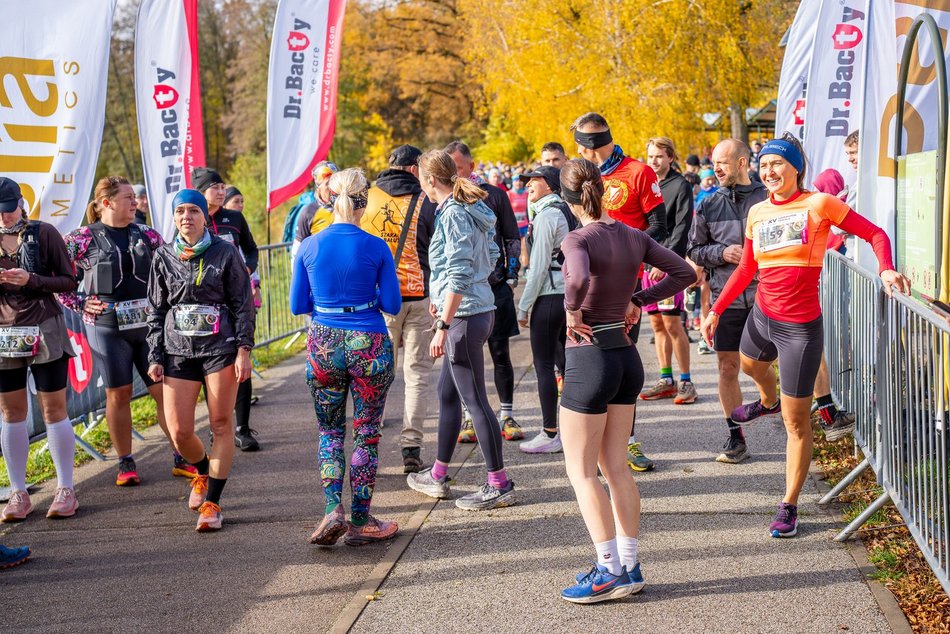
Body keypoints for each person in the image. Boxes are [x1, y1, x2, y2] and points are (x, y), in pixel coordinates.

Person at [701, 134, 910, 538]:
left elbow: (876, 234)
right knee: (748, 366)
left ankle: (789, 504)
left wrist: (885, 267)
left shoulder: (819, 204)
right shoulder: (758, 211)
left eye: (777, 164)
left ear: (796, 167)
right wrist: (716, 310)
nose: (769, 172)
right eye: (763, 166)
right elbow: (747, 269)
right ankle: (766, 398)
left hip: (800, 330)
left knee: (796, 424)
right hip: (762, 315)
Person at [557, 158, 695, 603]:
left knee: (581, 472)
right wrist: (639, 297)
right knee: (614, 467)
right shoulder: (633, 235)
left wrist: (571, 309)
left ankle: (606, 569)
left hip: (590, 358)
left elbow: (576, 275)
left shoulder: (577, 236)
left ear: (568, 198)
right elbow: (686, 273)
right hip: (625, 357)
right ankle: (629, 566)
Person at [290, 167, 402, 546]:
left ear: (327, 198)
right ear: (364, 201)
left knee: (329, 431)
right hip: (368, 340)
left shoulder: (309, 246)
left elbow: (296, 304)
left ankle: (332, 509)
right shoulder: (375, 246)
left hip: (323, 341)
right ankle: (362, 519)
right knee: (366, 434)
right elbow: (392, 302)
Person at [60, 176, 194, 486]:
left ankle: (181, 454)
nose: (135, 203)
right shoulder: (81, 238)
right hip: (108, 328)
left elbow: (172, 271)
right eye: (128, 198)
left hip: (148, 327)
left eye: (135, 198)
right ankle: (125, 461)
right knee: (118, 393)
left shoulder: (147, 235)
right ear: (106, 203)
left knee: (163, 390)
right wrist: (79, 303)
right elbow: (55, 276)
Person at [406, 149, 517, 511]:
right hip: (474, 310)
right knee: (448, 394)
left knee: (476, 401)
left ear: (429, 181)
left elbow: (459, 271)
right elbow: (489, 257)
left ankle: (498, 482)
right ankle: (438, 473)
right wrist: (444, 300)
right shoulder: (468, 207)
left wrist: (443, 323)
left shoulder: (454, 212)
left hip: (464, 318)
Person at [146, 189, 255, 532]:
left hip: (219, 348)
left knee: (221, 424)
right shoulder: (163, 256)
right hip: (178, 350)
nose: (186, 217)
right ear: (174, 217)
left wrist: (244, 349)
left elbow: (242, 303)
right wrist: (154, 354)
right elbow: (156, 309)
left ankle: (213, 503)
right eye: (180, 211)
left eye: (193, 210)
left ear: (204, 217)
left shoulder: (224, 252)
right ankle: (204, 472)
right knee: (179, 432)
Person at [570, 112, 667, 473]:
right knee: (587, 366)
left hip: (624, 288)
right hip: (583, 288)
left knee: (619, 361)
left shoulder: (638, 172)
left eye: (581, 142)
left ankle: (626, 442)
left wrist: (636, 255)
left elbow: (659, 224)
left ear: (587, 142)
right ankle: (592, 446)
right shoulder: (580, 173)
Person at [0, 178, 79, 522]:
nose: (4, 218)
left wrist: (30, 280)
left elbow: (68, 280)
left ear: (21, 203)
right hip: (5, 332)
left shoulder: (43, 232)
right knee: (12, 412)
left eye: (8, 209)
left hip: (45, 327)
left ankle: (65, 488)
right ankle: (18, 492)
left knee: (53, 409)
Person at [687, 139, 770, 464]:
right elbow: (694, 250)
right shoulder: (707, 204)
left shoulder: (767, 198)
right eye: (713, 162)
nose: (716, 168)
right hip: (727, 297)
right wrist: (721, 253)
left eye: (722, 162)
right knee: (727, 367)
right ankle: (736, 436)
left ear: (741, 163)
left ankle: (789, 416)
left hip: (768, 296)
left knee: (773, 365)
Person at [361, 145, 437, 474]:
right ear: (412, 169)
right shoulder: (426, 201)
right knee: (416, 375)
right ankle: (411, 446)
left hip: (380, 300)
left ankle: (369, 439)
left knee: (377, 374)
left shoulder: (369, 199)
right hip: (419, 296)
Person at [444, 141, 524, 442]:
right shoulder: (443, 201)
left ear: (471, 167)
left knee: (501, 354)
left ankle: (507, 414)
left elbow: (510, 237)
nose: (454, 175)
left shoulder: (494, 195)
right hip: (459, 294)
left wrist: (511, 277)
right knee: (464, 359)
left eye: (458, 168)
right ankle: (469, 417)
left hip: (495, 288)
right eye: (448, 169)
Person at [191, 169, 262, 452]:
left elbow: (252, 249)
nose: (221, 192)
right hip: (207, 306)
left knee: (241, 364)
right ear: (200, 191)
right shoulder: (192, 218)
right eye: (214, 187)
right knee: (212, 370)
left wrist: (248, 268)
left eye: (222, 187)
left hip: (237, 302)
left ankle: (243, 428)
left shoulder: (234, 218)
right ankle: (217, 428)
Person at [516, 165, 573, 454]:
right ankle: (573, 429)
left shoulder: (547, 216)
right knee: (569, 366)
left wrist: (524, 306)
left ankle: (550, 431)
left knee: (544, 367)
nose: (528, 186)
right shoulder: (567, 211)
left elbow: (537, 267)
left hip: (549, 297)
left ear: (550, 184)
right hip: (570, 297)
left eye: (534, 181)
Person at [640, 137, 697, 405]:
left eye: (659, 156)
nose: (654, 161)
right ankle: (666, 379)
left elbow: (682, 228)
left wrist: (666, 262)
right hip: (646, 262)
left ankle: (686, 381)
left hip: (667, 264)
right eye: (650, 156)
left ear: (671, 158)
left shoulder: (680, 185)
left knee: (674, 324)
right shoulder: (647, 185)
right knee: (656, 324)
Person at [292, 161, 339, 258]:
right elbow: (297, 252)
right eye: (328, 184)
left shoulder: (349, 206)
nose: (333, 188)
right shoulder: (309, 212)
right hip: (321, 270)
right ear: (318, 188)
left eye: (335, 183)